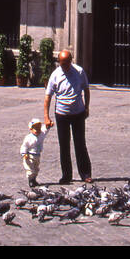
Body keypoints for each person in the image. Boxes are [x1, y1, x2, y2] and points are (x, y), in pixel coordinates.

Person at [43, 48, 92, 183]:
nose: (64, 66)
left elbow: (86, 90)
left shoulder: (79, 72)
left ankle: (85, 173)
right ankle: (66, 175)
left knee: (80, 143)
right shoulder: (55, 75)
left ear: (71, 61)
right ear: (59, 62)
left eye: (66, 63)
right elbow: (48, 97)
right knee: (64, 145)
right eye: (61, 63)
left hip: (78, 113)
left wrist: (87, 107)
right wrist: (46, 117)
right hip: (62, 114)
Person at [20, 118, 46, 187]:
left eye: (39, 128)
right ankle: (30, 180)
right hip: (29, 155)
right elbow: (24, 146)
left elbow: (45, 130)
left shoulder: (41, 135)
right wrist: (24, 153)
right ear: (31, 129)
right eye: (35, 129)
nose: (38, 130)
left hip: (37, 155)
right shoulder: (28, 138)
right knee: (30, 169)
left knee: (36, 168)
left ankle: (34, 179)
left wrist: (48, 125)